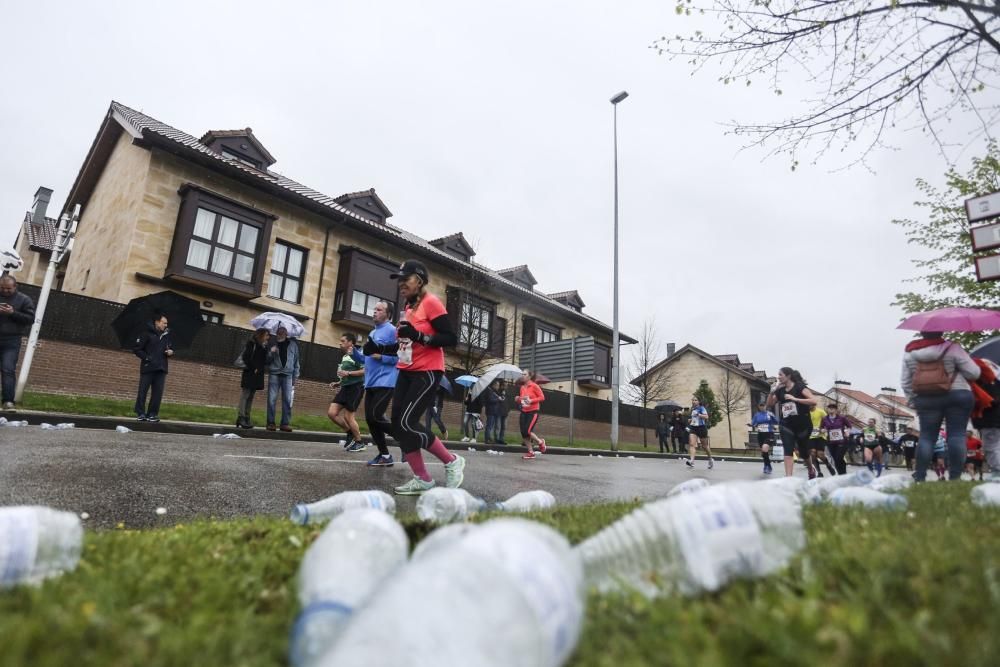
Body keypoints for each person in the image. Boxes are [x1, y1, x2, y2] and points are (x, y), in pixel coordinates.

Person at [378, 259, 464, 495]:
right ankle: (423, 478)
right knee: (398, 425)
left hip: (427, 371)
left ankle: (452, 460)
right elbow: (405, 342)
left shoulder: (431, 303)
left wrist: (418, 335)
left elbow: (450, 338)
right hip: (406, 370)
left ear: (420, 280)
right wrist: (381, 350)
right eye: (399, 280)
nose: (401, 284)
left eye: (406, 279)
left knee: (407, 423)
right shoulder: (408, 308)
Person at [900, 331, 980, 481]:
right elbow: (973, 373)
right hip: (957, 394)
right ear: (941, 331)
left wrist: (912, 401)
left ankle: (920, 476)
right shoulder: (953, 348)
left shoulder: (910, 353)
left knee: (927, 437)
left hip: (926, 398)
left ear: (922, 333)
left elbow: (905, 381)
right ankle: (955, 477)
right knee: (956, 435)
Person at [352, 301, 398, 466]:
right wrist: (353, 353)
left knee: (376, 416)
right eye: (374, 309)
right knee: (370, 420)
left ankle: (405, 439)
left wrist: (383, 357)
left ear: (388, 314)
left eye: (379, 310)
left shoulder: (393, 331)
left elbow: (401, 357)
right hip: (371, 382)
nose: (374, 312)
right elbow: (366, 358)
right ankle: (385, 456)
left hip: (386, 380)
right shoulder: (372, 333)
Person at [767, 367, 818, 477]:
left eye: (780, 375)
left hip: (802, 425)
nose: (778, 377)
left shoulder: (799, 387)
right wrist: (771, 393)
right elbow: (770, 404)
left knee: (803, 452)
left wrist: (795, 399)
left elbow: (814, 401)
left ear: (788, 376)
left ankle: (810, 468)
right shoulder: (780, 390)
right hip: (786, 425)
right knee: (788, 450)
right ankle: (788, 479)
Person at [0, 275, 36, 410]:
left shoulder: (24, 299)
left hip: (11, 340)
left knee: (8, 369)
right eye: (2, 288)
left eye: (8, 289)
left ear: (15, 286)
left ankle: (8, 401)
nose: (5, 291)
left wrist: (12, 313)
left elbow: (30, 319)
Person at [132, 313, 173, 422]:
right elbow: (137, 349)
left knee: (157, 393)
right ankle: (140, 413)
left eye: (166, 323)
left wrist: (170, 352)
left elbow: (170, 347)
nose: (166, 325)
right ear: (157, 322)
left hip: (161, 368)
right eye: (164, 323)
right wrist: (147, 358)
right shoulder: (146, 334)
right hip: (148, 367)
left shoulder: (166, 336)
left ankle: (152, 414)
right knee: (143, 391)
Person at [328, 333, 365, 451]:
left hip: (356, 387)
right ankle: (349, 432)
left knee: (348, 417)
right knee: (332, 413)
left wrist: (348, 373)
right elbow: (345, 374)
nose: (340, 343)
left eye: (343, 341)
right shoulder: (345, 356)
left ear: (351, 343)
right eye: (340, 340)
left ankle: (359, 442)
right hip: (345, 387)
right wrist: (338, 382)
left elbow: (365, 370)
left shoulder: (358, 355)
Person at [266, 325, 300, 432]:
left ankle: (285, 424)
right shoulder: (272, 343)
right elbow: (267, 361)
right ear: (277, 333)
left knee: (287, 400)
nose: (280, 332)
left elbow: (296, 362)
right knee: (271, 399)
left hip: (288, 376)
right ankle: (271, 423)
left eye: (283, 331)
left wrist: (296, 376)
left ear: (286, 333)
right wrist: (271, 352)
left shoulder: (293, 345)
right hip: (274, 374)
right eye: (279, 331)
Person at [236, 328, 270, 428]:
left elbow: (265, 361)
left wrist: (269, 351)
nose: (268, 337)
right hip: (250, 373)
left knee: (250, 397)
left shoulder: (263, 346)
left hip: (257, 375)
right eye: (266, 335)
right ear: (261, 335)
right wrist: (253, 368)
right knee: (245, 395)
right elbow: (246, 357)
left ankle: (247, 417)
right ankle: (241, 417)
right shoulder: (252, 343)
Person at [517, 369, 547, 459]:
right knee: (523, 433)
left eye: (524, 374)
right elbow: (522, 399)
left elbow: (542, 397)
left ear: (529, 376)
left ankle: (540, 442)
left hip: (533, 411)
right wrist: (518, 399)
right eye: (522, 374)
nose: (522, 376)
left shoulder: (534, 386)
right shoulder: (522, 387)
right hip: (524, 411)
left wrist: (532, 400)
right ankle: (530, 452)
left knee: (528, 431)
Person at [821, 403, 852, 475]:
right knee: (836, 459)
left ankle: (843, 473)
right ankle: (841, 474)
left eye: (833, 408)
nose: (831, 409)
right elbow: (821, 427)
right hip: (831, 442)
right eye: (830, 408)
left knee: (838, 458)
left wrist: (847, 432)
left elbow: (849, 426)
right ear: (828, 409)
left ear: (836, 410)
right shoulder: (824, 419)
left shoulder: (842, 418)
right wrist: (823, 430)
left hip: (842, 441)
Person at [685, 396, 714, 470]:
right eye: (693, 400)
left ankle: (710, 459)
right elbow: (694, 418)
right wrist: (690, 420)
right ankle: (692, 461)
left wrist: (699, 415)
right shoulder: (692, 409)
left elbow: (706, 417)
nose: (694, 401)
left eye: (695, 400)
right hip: (693, 428)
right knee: (692, 444)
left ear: (698, 401)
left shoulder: (702, 408)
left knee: (705, 446)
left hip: (701, 428)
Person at [750, 402, 778, 474]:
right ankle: (767, 465)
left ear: (766, 406)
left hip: (769, 434)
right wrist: (751, 425)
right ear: (759, 407)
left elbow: (776, 421)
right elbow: (753, 423)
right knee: (763, 452)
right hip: (760, 435)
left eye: (763, 406)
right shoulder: (757, 415)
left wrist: (772, 422)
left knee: (765, 448)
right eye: (760, 406)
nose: (762, 407)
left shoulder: (769, 414)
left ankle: (768, 466)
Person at [808, 404, 836, 478]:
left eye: (810, 404)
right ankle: (819, 472)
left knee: (820, 454)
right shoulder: (806, 413)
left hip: (820, 436)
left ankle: (828, 465)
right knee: (813, 454)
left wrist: (824, 428)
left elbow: (828, 421)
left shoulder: (820, 411)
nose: (809, 406)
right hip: (810, 436)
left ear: (814, 404)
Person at [495, 380, 510, 445]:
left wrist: (508, 410)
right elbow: (498, 400)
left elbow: (508, 402)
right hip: (499, 412)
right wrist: (501, 394)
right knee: (498, 426)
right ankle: (497, 439)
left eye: (506, 385)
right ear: (501, 386)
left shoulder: (507, 393)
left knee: (503, 427)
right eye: (504, 385)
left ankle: (501, 439)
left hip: (505, 412)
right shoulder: (497, 392)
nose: (506, 386)